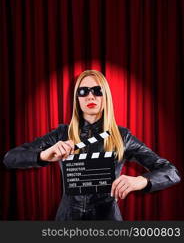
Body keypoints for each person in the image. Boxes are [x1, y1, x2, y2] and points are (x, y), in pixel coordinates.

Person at [3, 70, 181, 220]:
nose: (90, 96)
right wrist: (43, 155)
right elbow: (10, 158)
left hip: (107, 219)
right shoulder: (61, 134)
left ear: (106, 97)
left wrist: (141, 180)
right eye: (83, 91)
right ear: (77, 99)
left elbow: (171, 172)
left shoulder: (122, 136)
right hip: (67, 220)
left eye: (97, 91)